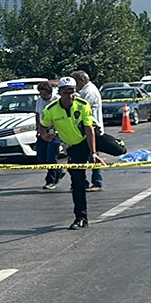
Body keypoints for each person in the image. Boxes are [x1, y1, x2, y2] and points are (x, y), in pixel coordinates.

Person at [40, 77, 104, 229]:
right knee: (77, 182)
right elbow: (43, 126)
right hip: (74, 147)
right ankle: (81, 217)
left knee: (119, 149)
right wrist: (44, 135)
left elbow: (89, 130)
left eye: (73, 91)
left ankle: (115, 144)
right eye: (67, 92)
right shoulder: (51, 109)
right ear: (60, 92)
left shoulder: (82, 105)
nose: (71, 95)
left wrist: (93, 153)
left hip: (89, 138)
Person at [72, 71, 105, 190]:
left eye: (75, 83)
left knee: (93, 154)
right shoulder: (84, 91)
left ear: (82, 80)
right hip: (85, 127)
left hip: (92, 126)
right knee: (83, 155)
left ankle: (97, 182)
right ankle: (83, 182)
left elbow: (82, 107)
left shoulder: (89, 91)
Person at [37, 81, 65, 190]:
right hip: (43, 131)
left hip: (54, 132)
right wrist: (38, 128)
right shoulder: (39, 101)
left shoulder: (57, 100)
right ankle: (58, 170)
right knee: (41, 156)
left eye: (44, 94)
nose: (42, 96)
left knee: (51, 157)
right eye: (41, 94)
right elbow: (38, 114)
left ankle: (50, 181)